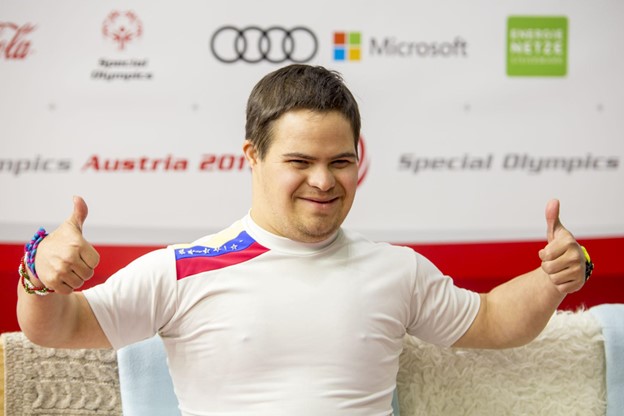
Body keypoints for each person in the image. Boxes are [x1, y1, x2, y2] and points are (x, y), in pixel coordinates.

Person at [17, 64, 590, 416]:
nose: (323, 181)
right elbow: (56, 328)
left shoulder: (397, 270)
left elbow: (493, 321)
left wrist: (555, 278)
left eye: (341, 161)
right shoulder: (181, 268)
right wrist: (36, 271)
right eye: (299, 161)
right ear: (253, 157)